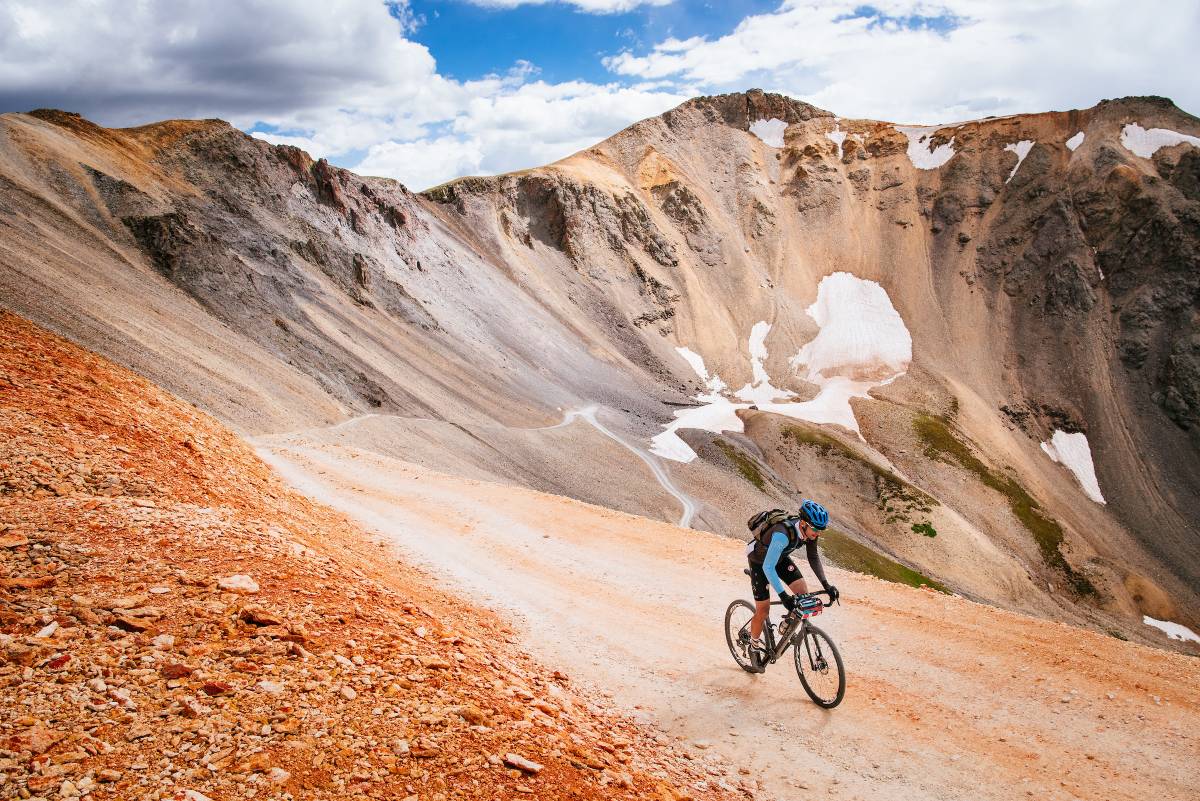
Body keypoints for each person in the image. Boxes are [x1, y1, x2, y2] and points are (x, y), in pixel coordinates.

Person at [745, 500, 839, 671]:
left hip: (779, 557)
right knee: (763, 609)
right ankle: (753, 645)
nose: (817, 534)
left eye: (821, 530)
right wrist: (783, 596)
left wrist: (826, 585)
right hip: (760, 562)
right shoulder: (783, 534)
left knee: (803, 592)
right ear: (803, 524)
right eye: (816, 529)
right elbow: (768, 567)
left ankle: (786, 626)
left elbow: (813, 557)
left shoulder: (809, 531)